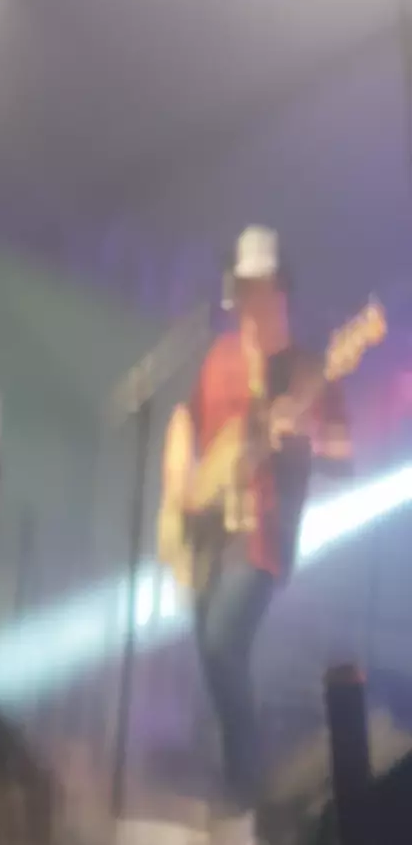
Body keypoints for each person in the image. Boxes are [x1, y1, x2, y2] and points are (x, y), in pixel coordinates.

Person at [157, 226, 354, 844]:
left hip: (265, 534)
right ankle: (235, 786)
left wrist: (306, 439)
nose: (248, 299)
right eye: (241, 288)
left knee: (222, 642)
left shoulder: (309, 369)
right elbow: (185, 417)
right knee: (211, 650)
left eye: (258, 287)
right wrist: (179, 476)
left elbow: (343, 455)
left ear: (280, 290)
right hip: (208, 531)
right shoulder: (218, 356)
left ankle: (246, 787)